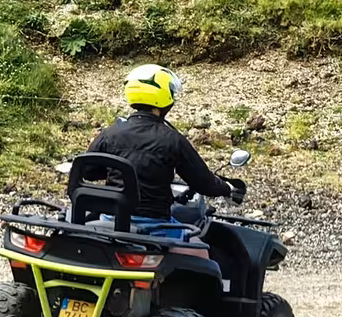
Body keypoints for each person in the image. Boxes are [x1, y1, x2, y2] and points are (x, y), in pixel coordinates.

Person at [84, 65, 243, 227]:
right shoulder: (173, 139)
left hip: (111, 220)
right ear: (164, 96)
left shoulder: (110, 133)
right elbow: (203, 183)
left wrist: (122, 172)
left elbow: (88, 171)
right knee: (199, 240)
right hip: (155, 225)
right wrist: (227, 188)